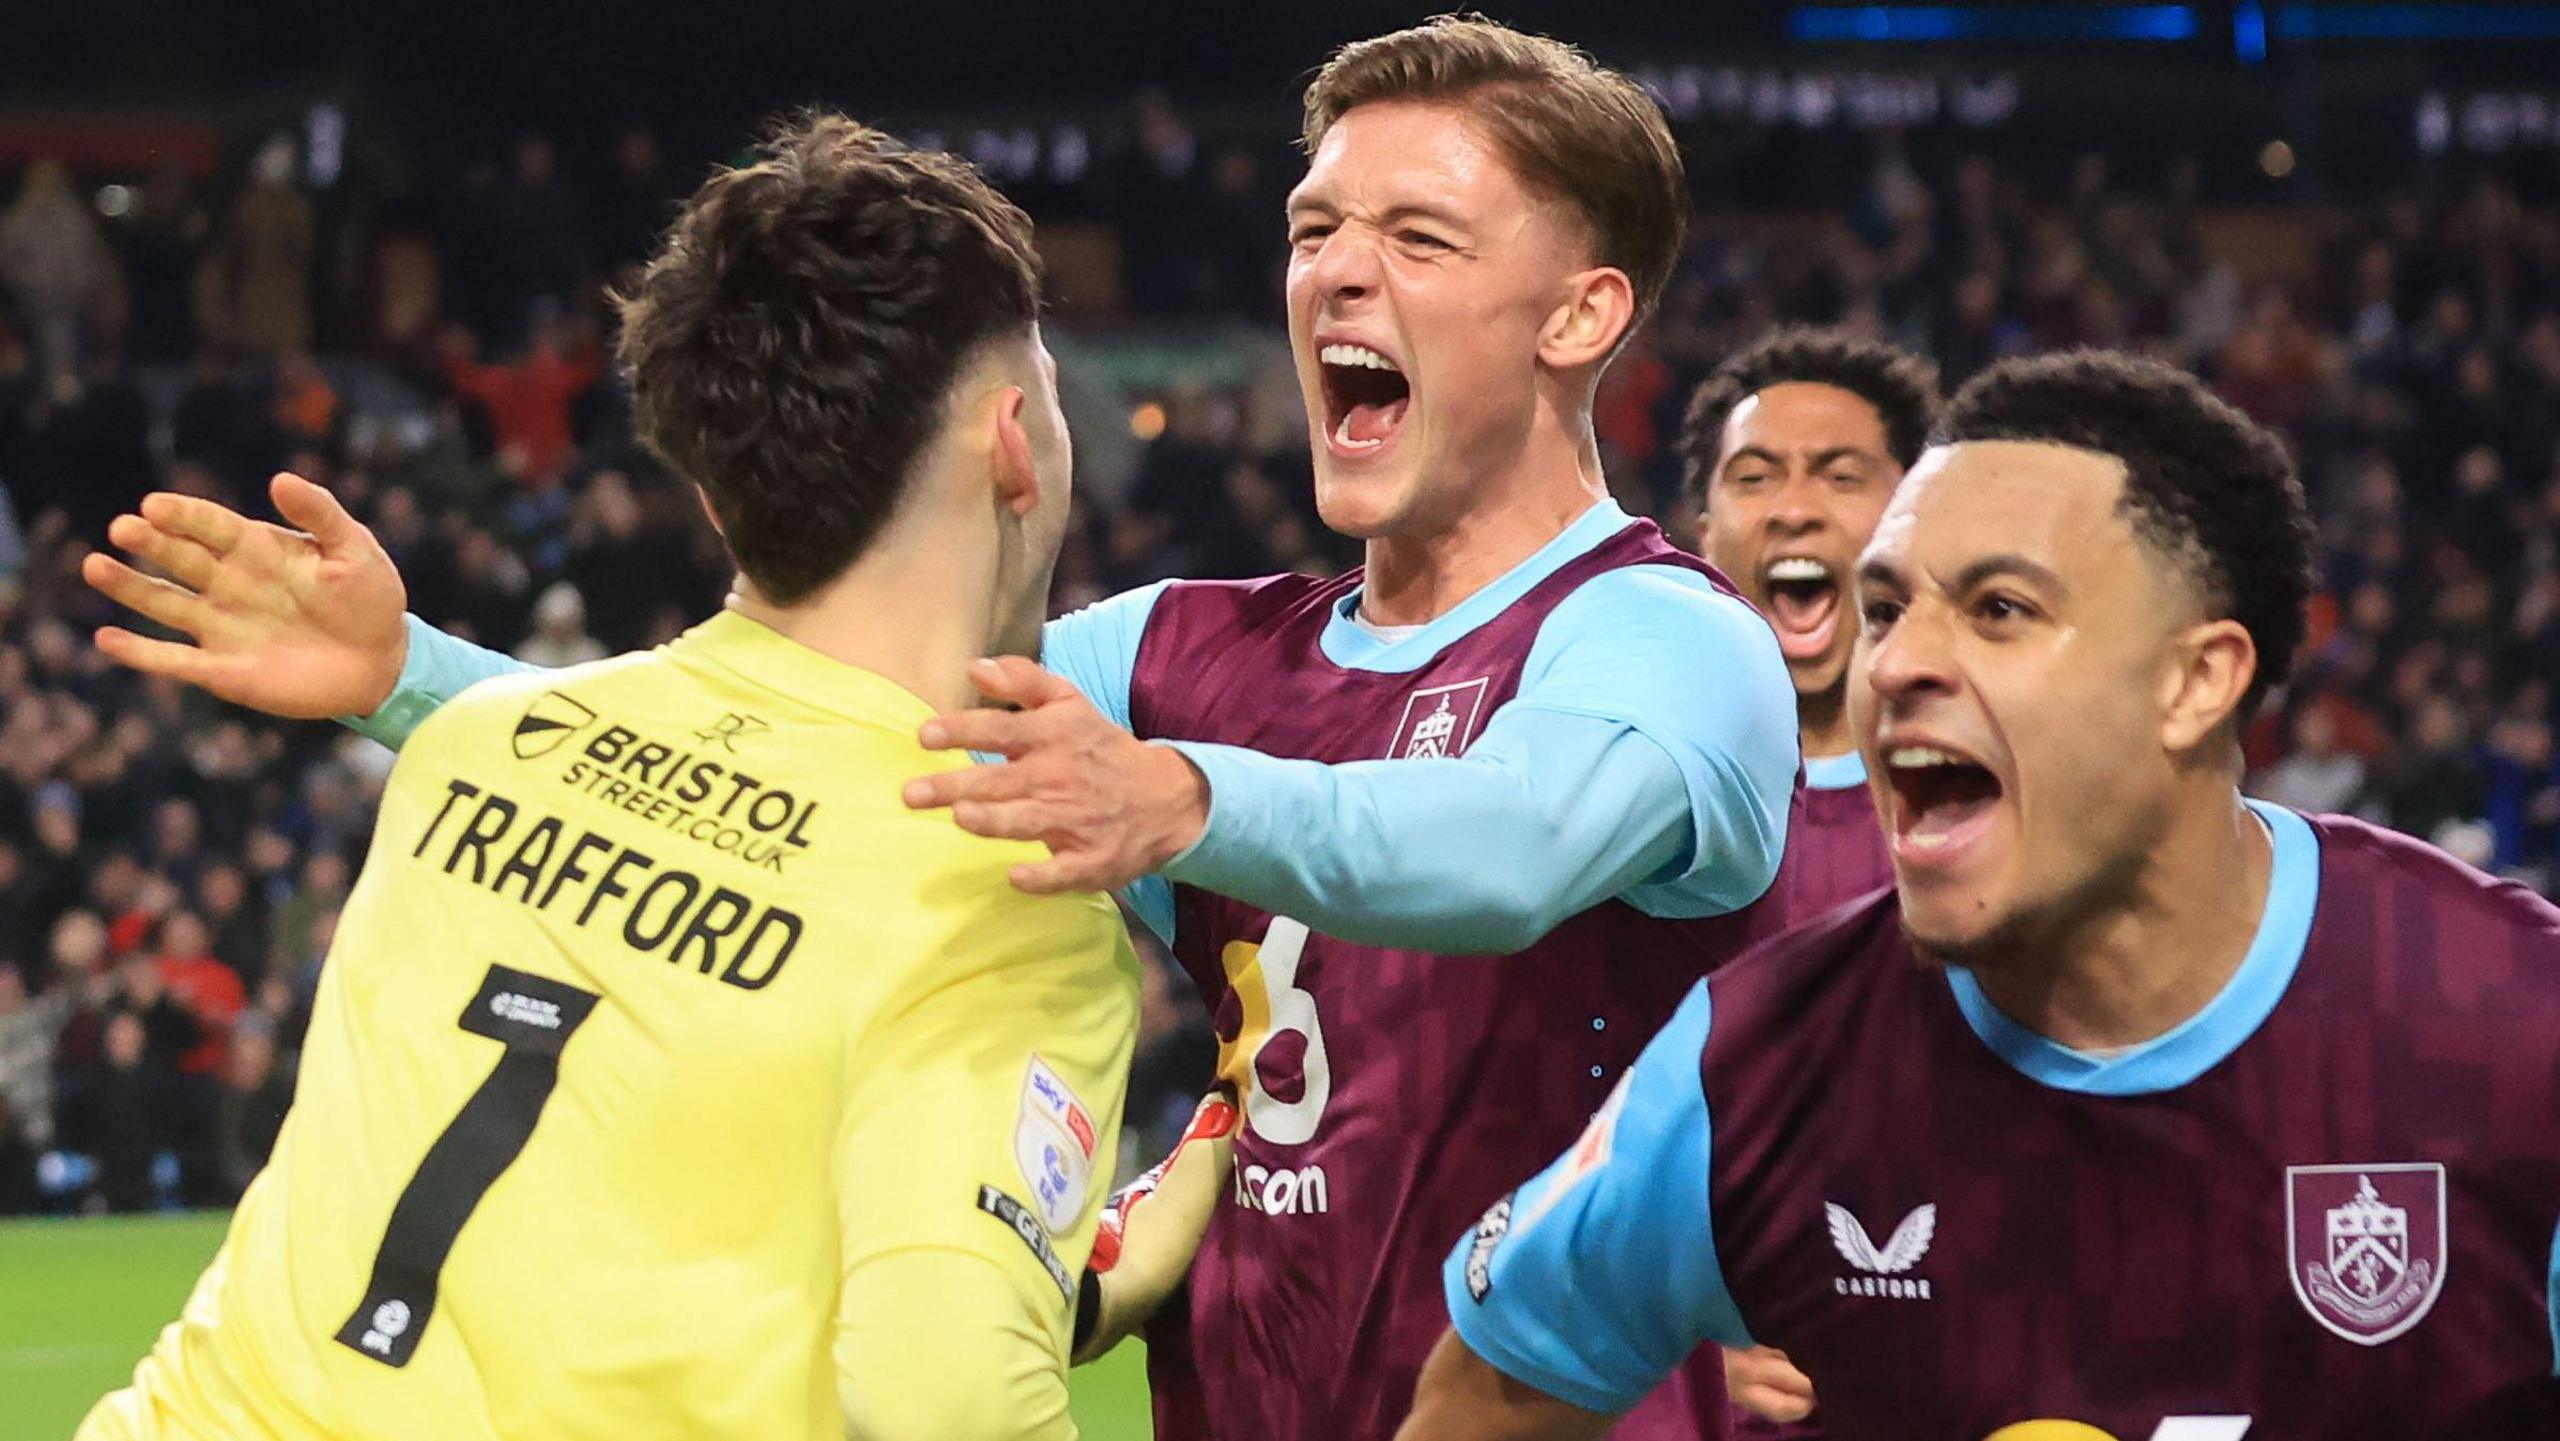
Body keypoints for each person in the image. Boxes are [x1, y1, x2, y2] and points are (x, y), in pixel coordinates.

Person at [87, 21, 1799, 1440]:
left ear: (1582, 313)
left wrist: (1179, 800)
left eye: (1416, 238)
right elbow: (795, 748)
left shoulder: (1669, 645)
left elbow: (1509, 849)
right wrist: (414, 675)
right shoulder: (1181, 653)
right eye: (1314, 229)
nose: (1339, 274)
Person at [76, 115, 1139, 1440]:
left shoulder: (471, 748)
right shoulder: (1002, 889)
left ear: (711, 490)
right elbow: (941, 1394)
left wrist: (1080, 1274)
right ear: (1014, 444)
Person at [1402, 352, 2560, 1440]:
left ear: (2197, 681)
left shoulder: (2511, 1025)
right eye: (1889, 609)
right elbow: (1493, 1390)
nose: (1898, 664)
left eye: (1999, 608)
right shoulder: (1754, 1065)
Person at [1668, 329, 1940, 1434]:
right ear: (1701, 536)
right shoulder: (1616, 819)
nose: (1792, 508)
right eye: (1753, 476)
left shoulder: (2014, 818)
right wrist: (1672, 1340)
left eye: (1838, 474)